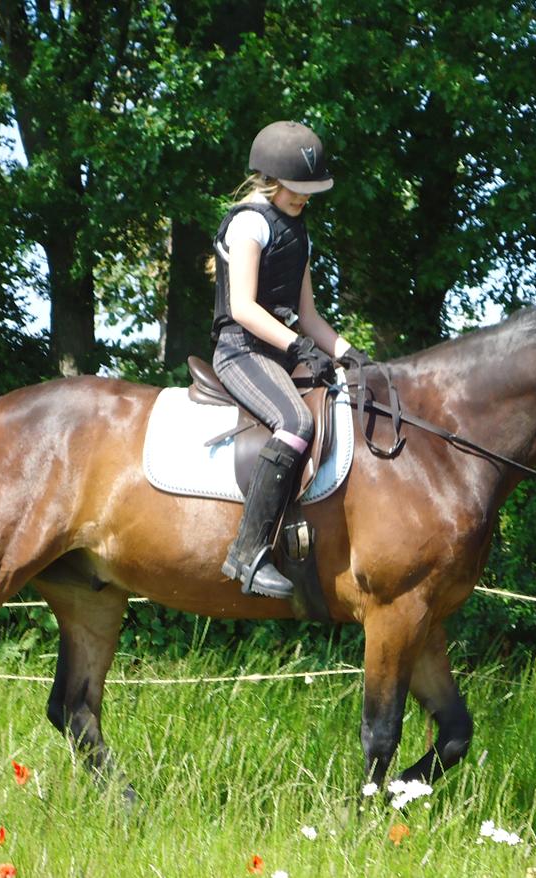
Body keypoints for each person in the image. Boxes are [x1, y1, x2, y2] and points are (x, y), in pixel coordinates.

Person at [210, 120, 370, 599]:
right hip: (240, 350)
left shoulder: (298, 232)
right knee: (297, 422)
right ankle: (247, 552)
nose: (304, 198)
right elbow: (243, 307)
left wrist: (349, 354)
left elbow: (309, 316)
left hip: (279, 350)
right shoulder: (249, 223)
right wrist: (298, 347)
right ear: (271, 180)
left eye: (309, 190)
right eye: (297, 188)